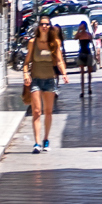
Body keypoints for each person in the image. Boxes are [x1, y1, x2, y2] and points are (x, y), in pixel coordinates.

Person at [23, 17, 65, 151]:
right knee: (36, 111)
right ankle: (36, 142)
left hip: (50, 80)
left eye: (47, 24)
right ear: (38, 27)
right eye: (42, 24)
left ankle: (46, 139)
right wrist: (25, 74)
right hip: (36, 79)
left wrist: (64, 73)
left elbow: (59, 60)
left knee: (48, 112)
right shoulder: (32, 43)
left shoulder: (54, 43)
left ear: (50, 27)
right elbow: (26, 62)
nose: (44, 26)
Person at [74, 20, 96, 97]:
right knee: (82, 73)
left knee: (89, 72)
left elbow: (92, 42)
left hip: (88, 53)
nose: (82, 28)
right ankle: (82, 90)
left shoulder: (88, 34)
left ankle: (89, 87)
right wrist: (78, 30)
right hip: (81, 52)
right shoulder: (79, 34)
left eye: (82, 26)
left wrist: (95, 55)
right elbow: (75, 38)